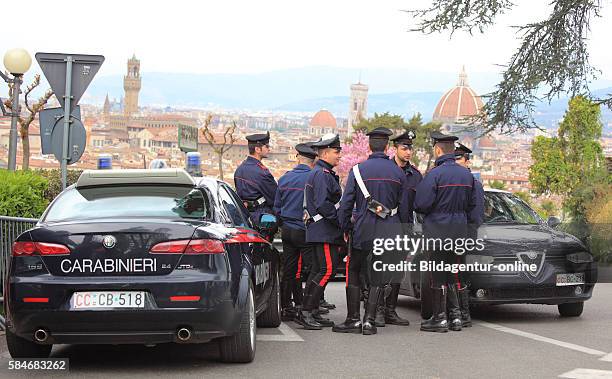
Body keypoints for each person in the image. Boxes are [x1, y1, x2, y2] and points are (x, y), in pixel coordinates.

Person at [334, 127, 411, 335]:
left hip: (364, 230)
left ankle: (353, 319)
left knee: (355, 272)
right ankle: (369, 321)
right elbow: (404, 209)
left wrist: (346, 228)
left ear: (369, 146)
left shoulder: (358, 170)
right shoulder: (399, 173)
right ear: (387, 147)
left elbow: (346, 204)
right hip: (390, 231)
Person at [415, 131, 477, 333]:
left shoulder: (434, 174)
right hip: (459, 231)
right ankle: (456, 318)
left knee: (437, 275)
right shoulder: (467, 176)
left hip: (437, 231)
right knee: (453, 272)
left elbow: (421, 204)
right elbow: (472, 205)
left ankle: (440, 318)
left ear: (438, 149)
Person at [369, 129, 423, 327]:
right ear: (394, 149)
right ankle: (379, 310)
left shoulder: (415, 175)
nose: (408, 152)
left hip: (405, 229)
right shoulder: (387, 170)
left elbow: (420, 204)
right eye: (404, 148)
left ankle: (391, 310)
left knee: (397, 271)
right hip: (384, 227)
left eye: (410, 148)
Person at [298, 134, 343, 330]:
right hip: (324, 229)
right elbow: (324, 204)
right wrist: (340, 220)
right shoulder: (322, 174)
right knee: (326, 270)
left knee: (318, 270)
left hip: (320, 229)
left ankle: (312, 310)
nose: (339, 156)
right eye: (336, 152)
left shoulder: (321, 172)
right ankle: (306, 311)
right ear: (325, 153)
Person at [274, 142, 317, 321]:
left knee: (290, 269)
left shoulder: (284, 178)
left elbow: (277, 207)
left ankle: (286, 306)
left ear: (298, 158)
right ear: (313, 160)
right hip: (304, 230)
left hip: (287, 230)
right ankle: (307, 307)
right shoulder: (314, 178)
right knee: (315, 268)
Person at [454, 142, 485, 327]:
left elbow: (477, 215)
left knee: (459, 273)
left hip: (464, 234)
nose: (456, 162)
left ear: (467, 161)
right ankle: (455, 311)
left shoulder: (473, 183)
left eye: (458, 159)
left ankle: (463, 313)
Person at [234, 131, 278, 238]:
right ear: (257, 149)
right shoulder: (262, 172)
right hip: (261, 218)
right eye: (266, 146)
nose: (269, 149)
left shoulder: (239, 169)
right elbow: (275, 198)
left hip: (243, 217)